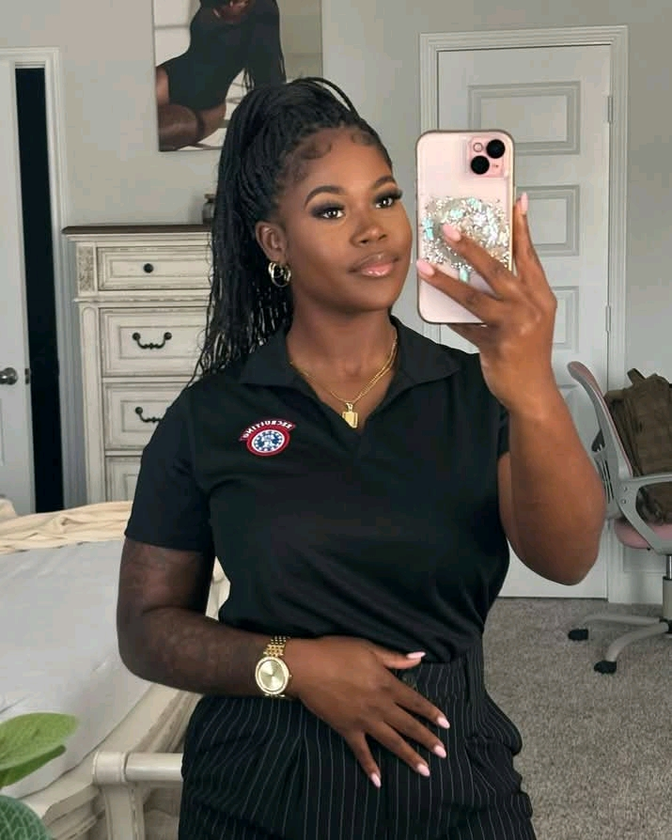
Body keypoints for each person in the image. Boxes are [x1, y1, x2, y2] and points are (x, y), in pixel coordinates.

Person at [117, 77, 606, 839]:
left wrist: (533, 387)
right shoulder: (210, 416)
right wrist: (294, 666)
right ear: (275, 243)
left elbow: (568, 560)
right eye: (331, 210)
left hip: (454, 777)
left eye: (386, 198)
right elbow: (146, 631)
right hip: (258, 785)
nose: (374, 229)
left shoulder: (478, 393)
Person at [155, 0, 285, 151]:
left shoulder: (263, 8)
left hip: (204, 110)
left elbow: (269, 72)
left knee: (150, 134)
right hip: (169, 78)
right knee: (132, 117)